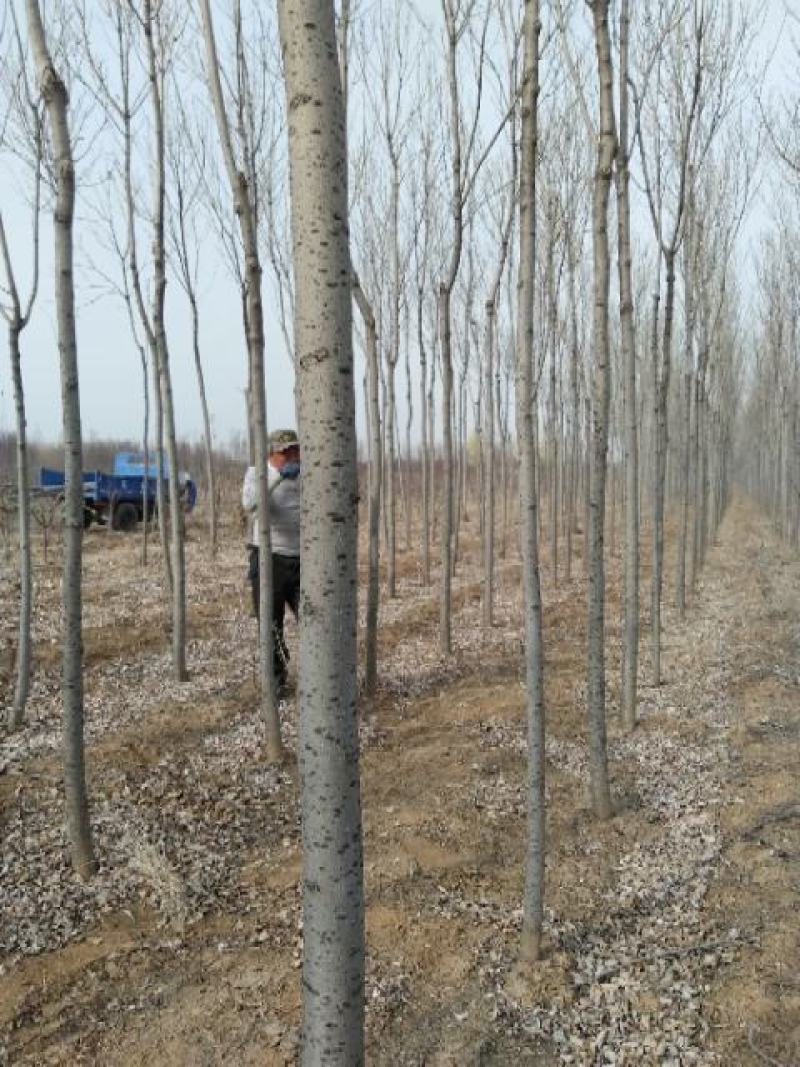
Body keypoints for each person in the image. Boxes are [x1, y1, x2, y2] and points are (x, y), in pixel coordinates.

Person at [242, 429, 301, 694]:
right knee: (270, 624)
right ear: (271, 454)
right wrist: (277, 477)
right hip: (269, 560)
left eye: (294, 450)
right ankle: (276, 680)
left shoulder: (307, 474)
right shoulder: (257, 474)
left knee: (314, 621)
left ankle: (318, 676)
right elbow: (251, 505)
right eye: (284, 452)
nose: (290, 457)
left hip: (303, 561)